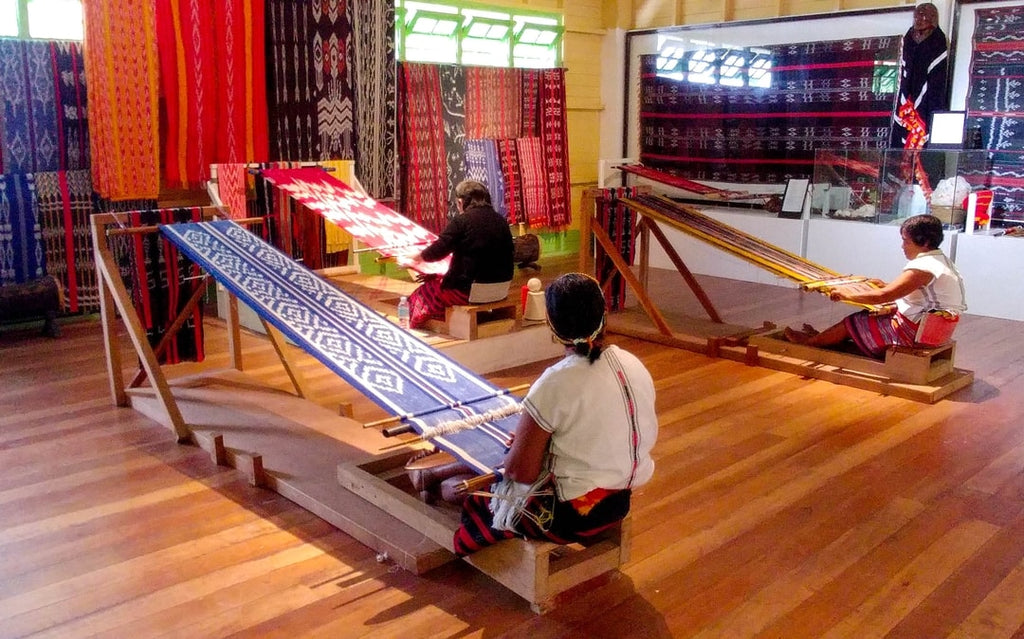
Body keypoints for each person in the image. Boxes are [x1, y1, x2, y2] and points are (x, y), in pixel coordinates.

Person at [453, 273, 658, 556]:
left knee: (469, 496)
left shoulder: (556, 382)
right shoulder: (632, 363)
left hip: (570, 517)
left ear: (551, 326)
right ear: (604, 315)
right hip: (619, 501)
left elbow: (519, 472)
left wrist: (522, 451)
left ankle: (432, 479)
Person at [783, 214, 966, 359]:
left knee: (855, 321)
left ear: (924, 243)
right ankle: (824, 338)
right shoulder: (939, 260)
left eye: (906, 241)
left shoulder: (923, 267)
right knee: (870, 316)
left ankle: (811, 343)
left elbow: (883, 296)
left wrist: (846, 294)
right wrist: (885, 285)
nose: (902, 246)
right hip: (937, 329)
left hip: (918, 334)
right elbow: (919, 291)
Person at [399, 180, 514, 329]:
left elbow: (439, 249)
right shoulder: (501, 220)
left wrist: (414, 257)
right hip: (502, 288)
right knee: (440, 280)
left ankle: (415, 325)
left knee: (424, 293)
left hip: (470, 292)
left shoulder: (462, 221)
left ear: (460, 202)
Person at [890, 3, 949, 149]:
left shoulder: (938, 40)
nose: (920, 20)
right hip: (906, 97)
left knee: (925, 127)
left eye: (924, 16)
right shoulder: (908, 38)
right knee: (900, 136)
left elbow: (937, 79)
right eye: (918, 16)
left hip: (928, 100)